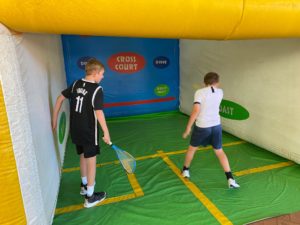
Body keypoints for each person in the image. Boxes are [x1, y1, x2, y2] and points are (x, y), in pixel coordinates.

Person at [52, 58, 111, 208]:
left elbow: (59, 99)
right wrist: (106, 132)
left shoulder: (76, 83)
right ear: (95, 73)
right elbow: (99, 113)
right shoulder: (97, 89)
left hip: (76, 129)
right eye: (102, 74)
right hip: (89, 131)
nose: (103, 77)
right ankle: (90, 197)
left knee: (83, 156)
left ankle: (84, 185)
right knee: (91, 161)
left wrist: (54, 120)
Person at [182, 72, 240, 188]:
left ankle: (185, 170)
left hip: (203, 126)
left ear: (204, 82)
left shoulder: (199, 92)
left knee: (192, 149)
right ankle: (230, 178)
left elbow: (196, 110)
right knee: (219, 151)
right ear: (218, 82)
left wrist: (188, 127)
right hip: (216, 126)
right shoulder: (220, 92)